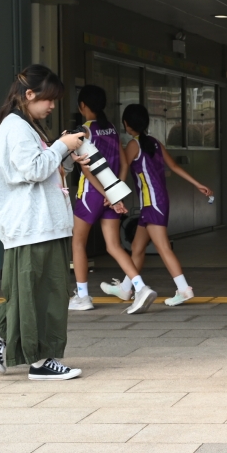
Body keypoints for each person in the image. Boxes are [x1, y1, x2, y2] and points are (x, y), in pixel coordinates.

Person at [0, 64, 87, 382]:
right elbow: (33, 169)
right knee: (43, 294)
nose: (52, 106)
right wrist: (62, 146)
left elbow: (42, 169)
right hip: (32, 225)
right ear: (30, 94)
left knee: (38, 292)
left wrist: (65, 156)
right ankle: (40, 360)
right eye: (48, 99)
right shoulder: (17, 126)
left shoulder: (25, 125)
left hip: (41, 224)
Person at [96, 103, 212, 312]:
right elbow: (173, 166)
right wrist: (197, 184)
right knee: (137, 248)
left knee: (163, 247)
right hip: (157, 202)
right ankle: (125, 288)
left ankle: (184, 289)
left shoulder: (133, 145)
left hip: (152, 203)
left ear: (126, 124)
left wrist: (113, 195)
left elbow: (122, 167)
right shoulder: (155, 143)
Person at [67, 85, 148, 314]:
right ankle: (140, 287)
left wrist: (106, 195)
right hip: (111, 196)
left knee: (78, 242)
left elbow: (87, 170)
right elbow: (123, 163)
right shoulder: (111, 128)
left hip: (91, 194)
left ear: (82, 105)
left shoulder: (84, 131)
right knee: (113, 245)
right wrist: (115, 193)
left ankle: (83, 296)